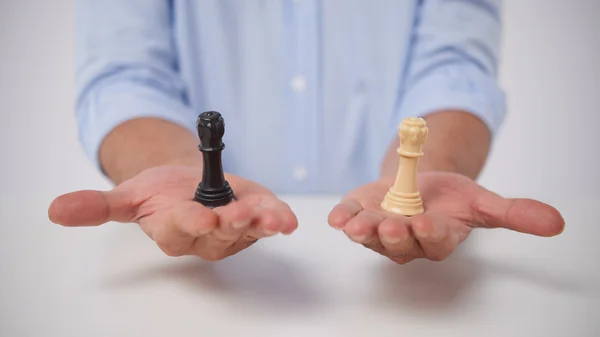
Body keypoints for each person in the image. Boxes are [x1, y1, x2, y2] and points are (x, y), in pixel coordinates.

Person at [48, 0, 565, 264]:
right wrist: (181, 170)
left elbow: (456, 66)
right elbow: (125, 74)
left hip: (393, 287)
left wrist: (433, 168)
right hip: (188, 285)